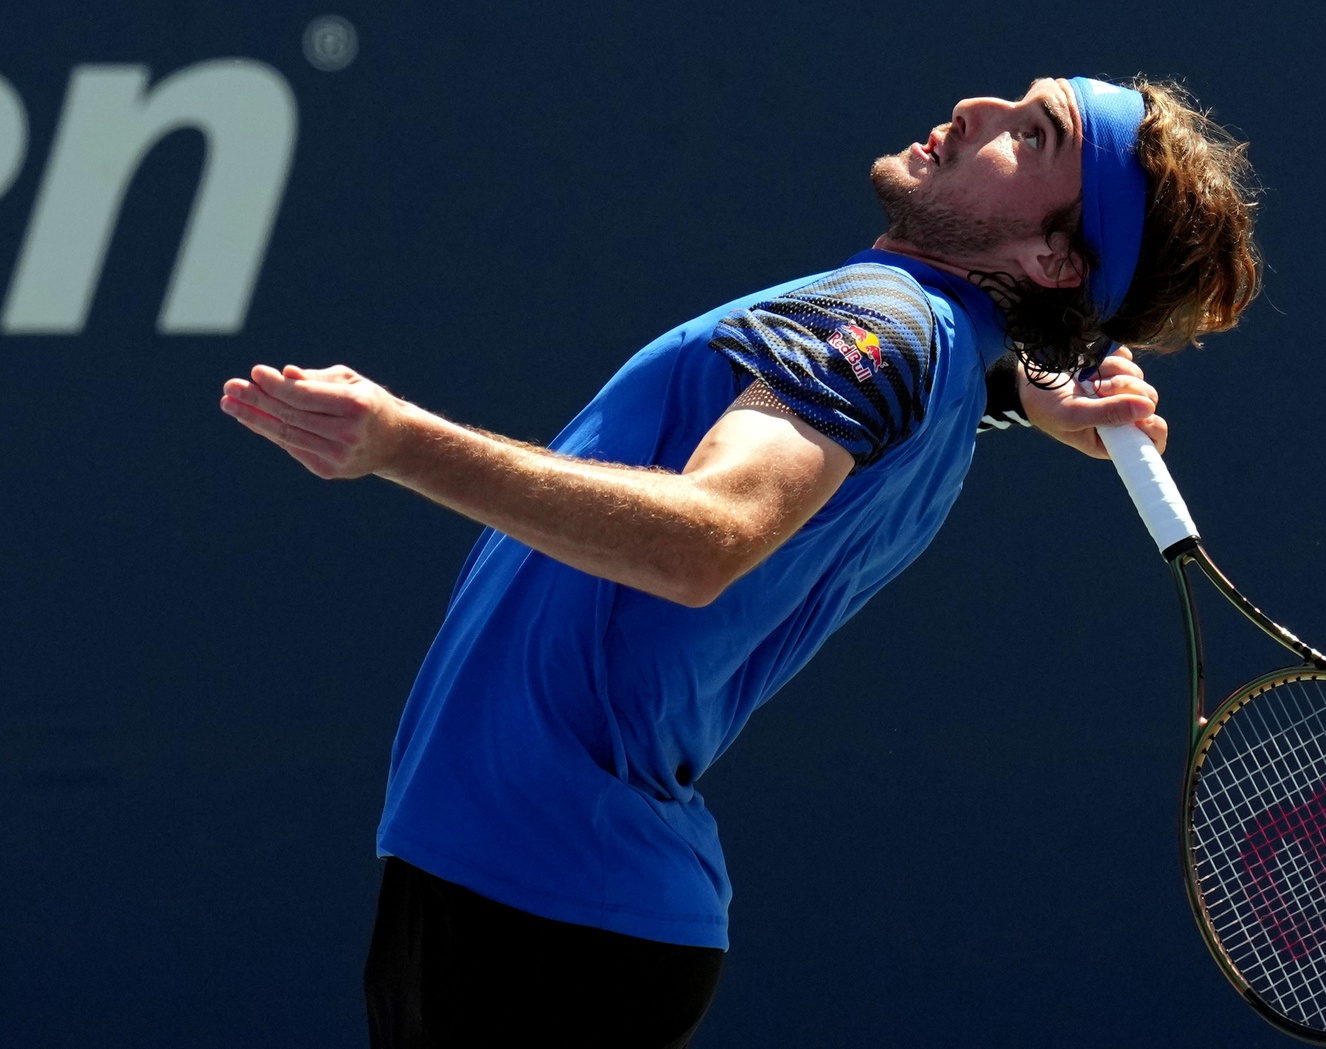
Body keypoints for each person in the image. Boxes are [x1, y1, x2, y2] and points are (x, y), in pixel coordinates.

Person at [220, 75, 1260, 1048]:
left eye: (1032, 135)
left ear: (1051, 259)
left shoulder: (881, 324)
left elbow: (703, 536)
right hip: (546, 893)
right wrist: (1019, 390)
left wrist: (399, 442)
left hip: (538, 909)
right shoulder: (935, 352)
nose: (976, 106)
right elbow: (895, 398)